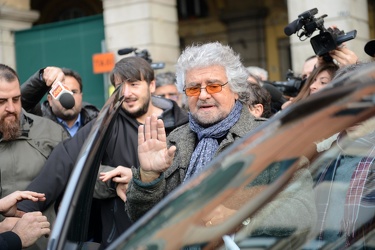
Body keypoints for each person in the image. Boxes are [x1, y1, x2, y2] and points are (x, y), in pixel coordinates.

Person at [125, 42, 316, 237]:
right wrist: (148, 177)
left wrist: (240, 217)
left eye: (214, 86)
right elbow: (141, 218)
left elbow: (302, 211)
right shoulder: (173, 141)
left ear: (235, 90)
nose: (203, 95)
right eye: (193, 88)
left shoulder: (273, 137)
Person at [17, 56, 189, 248]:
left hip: (179, 234)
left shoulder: (185, 124)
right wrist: (25, 205)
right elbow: (64, 158)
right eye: (120, 86)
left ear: (151, 85)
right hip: (124, 239)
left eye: (134, 84)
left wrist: (138, 178)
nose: (127, 93)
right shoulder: (107, 124)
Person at [0, 63, 69, 249]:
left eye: (16, 99)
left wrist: (130, 180)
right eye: (1, 102)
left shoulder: (50, 132)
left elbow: (84, 171)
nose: (11, 108)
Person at [21, 67, 100, 137]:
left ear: (81, 96)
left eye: (74, 92)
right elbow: (21, 104)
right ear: (50, 100)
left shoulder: (98, 121)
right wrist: (41, 78)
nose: (68, 97)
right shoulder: (38, 122)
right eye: (62, 92)